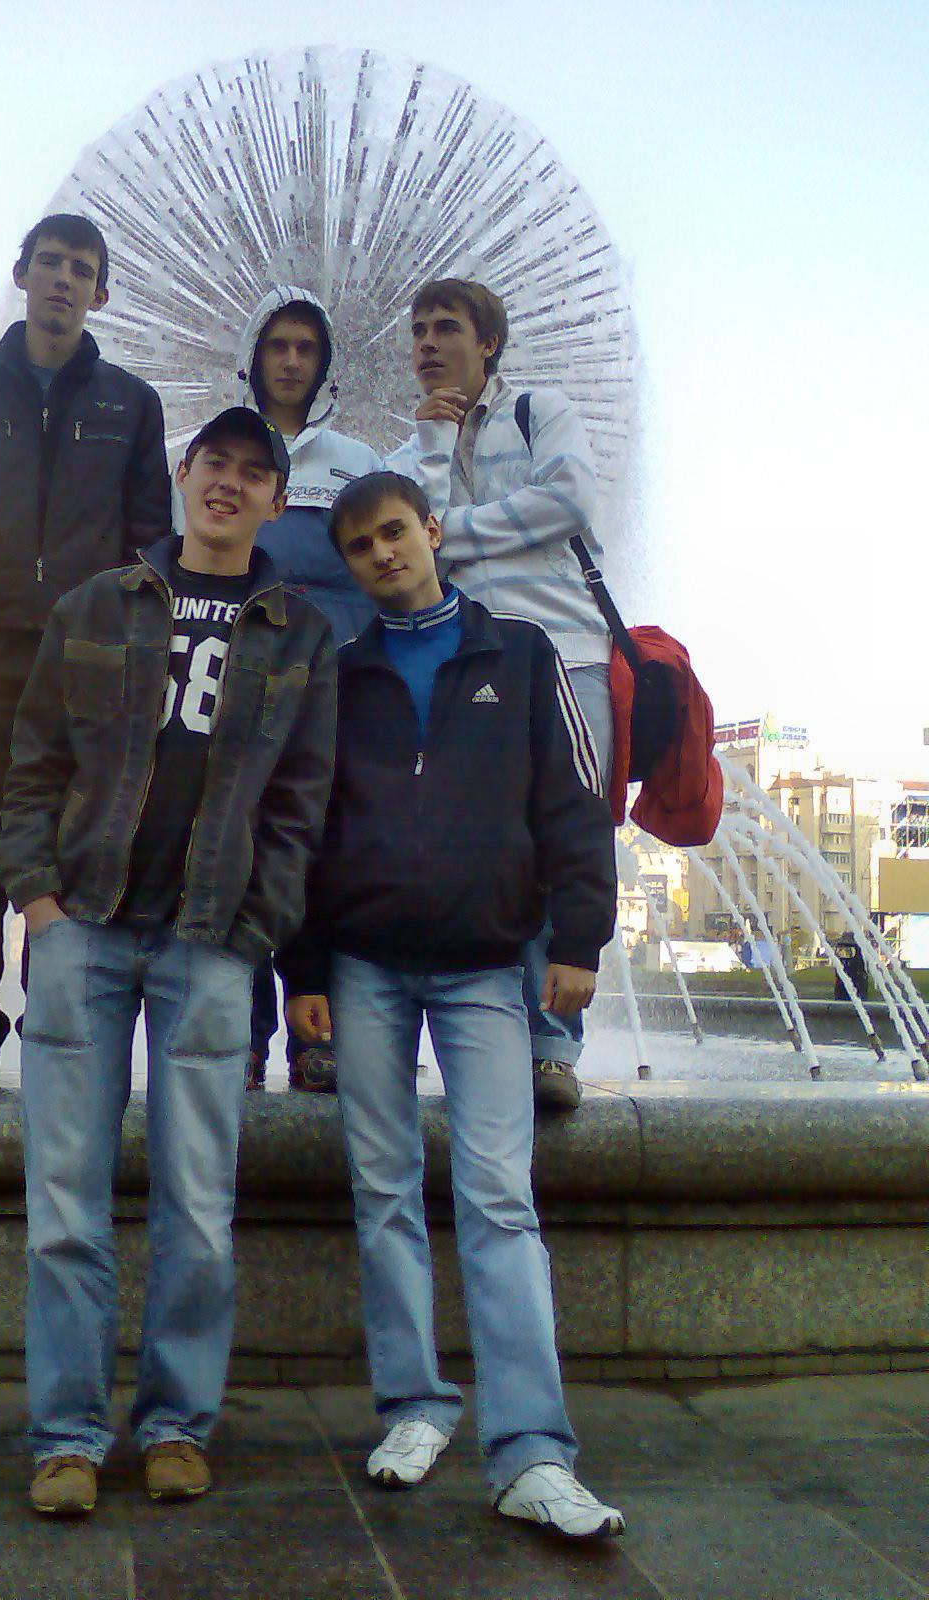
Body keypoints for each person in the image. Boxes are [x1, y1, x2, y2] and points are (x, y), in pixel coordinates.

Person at [0, 407, 336, 1517]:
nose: (228, 483)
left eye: (253, 472)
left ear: (277, 500)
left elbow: (301, 806)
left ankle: (178, 1424)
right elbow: (34, 762)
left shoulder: (301, 634)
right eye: (213, 463)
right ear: (185, 476)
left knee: (198, 1204)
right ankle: (67, 1437)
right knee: (65, 1202)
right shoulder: (97, 604)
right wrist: (40, 903)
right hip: (84, 929)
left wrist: (254, 930)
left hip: (209, 943)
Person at [281, 470, 623, 1539]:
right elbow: (304, 824)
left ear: (432, 530)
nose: (383, 554)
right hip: (366, 967)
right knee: (382, 1192)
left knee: (499, 1198)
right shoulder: (342, 674)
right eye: (361, 546)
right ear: (348, 563)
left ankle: (531, 1452)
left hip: (483, 968)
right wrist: (303, 970)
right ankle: (415, 1406)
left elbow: (574, 803)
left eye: (395, 532)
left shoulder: (519, 654)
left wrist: (578, 940)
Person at [0, 214, 171, 1104]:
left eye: (81, 269)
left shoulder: (131, 404)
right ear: (21, 275)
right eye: (49, 262)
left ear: (102, 292)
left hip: (82, 666)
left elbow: (148, 539)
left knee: (74, 850)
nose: (63, 279)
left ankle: (57, 1033)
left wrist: (118, 646)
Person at [386, 279, 610, 1112]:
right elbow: (412, 547)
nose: (428, 343)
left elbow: (571, 499)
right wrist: (434, 445)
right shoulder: (408, 453)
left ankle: (554, 1045)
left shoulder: (539, 412)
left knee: (566, 835)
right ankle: (498, 1036)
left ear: (488, 343)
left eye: (446, 328)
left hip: (568, 651)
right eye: (418, 331)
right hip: (474, 664)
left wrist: (454, 535)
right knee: (493, 848)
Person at [222, 287, 383, 1092]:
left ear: (324, 365)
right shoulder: (225, 449)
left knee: (324, 853)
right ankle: (243, 1034)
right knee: (241, 847)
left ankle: (319, 1034)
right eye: (278, 345)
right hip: (244, 676)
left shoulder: (356, 459)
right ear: (254, 356)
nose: (291, 361)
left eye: (306, 349)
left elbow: (384, 559)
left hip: (338, 678)